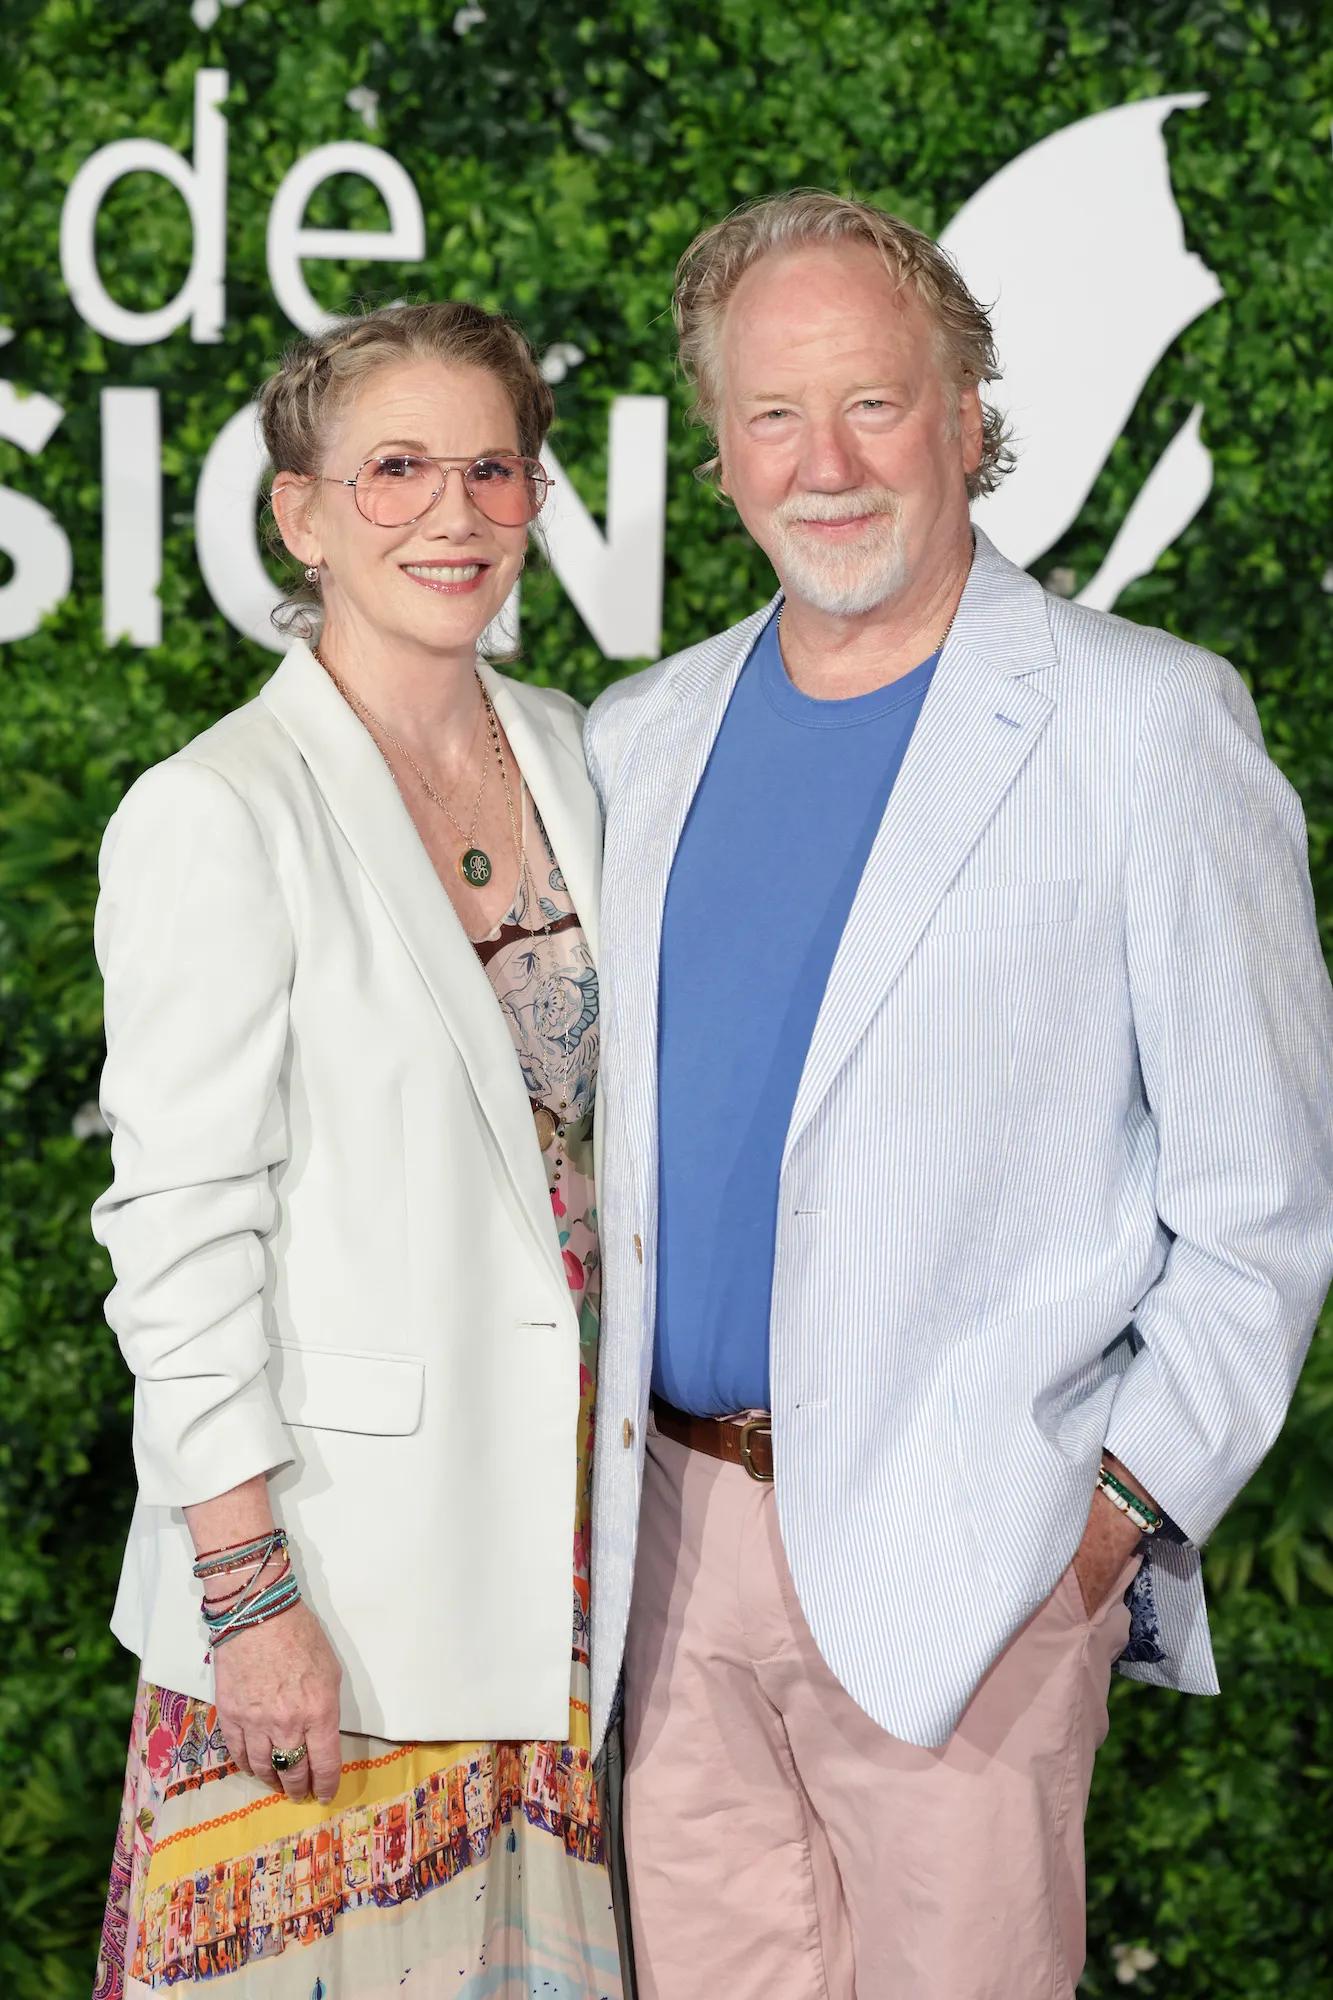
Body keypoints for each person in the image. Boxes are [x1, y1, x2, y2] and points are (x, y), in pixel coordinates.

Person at [584, 191, 1333, 1999]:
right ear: (718, 451)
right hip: (664, 1563)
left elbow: (1265, 1202)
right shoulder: (635, 738)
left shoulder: (1145, 725)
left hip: (970, 1556)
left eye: (873, 403)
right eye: (774, 415)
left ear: (970, 416)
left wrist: (1101, 1526)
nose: (824, 465)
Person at [91, 301, 623, 2000]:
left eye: (493, 469)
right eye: (394, 470)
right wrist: (252, 1603)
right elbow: (179, 1233)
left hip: (556, 1590)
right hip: (335, 1609)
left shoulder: (574, 751)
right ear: (301, 513)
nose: (451, 515)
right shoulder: (218, 808)